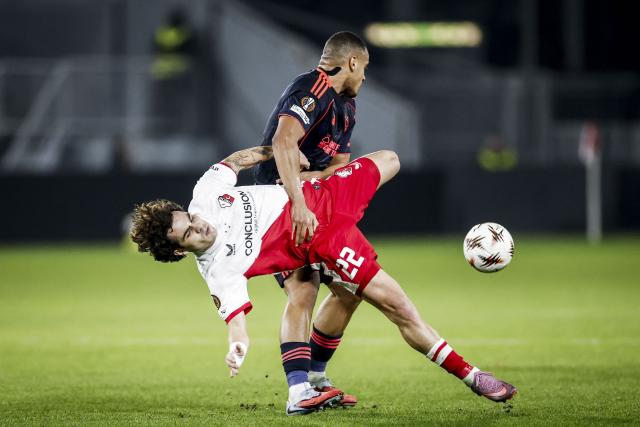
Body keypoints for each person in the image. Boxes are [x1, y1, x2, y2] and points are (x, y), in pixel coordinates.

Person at [130, 146, 517, 415]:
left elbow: (233, 161)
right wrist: (237, 346)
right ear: (180, 250)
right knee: (395, 305)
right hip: (322, 238)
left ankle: (312, 377)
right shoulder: (218, 269)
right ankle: (472, 375)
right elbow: (235, 319)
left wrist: (274, 153)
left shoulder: (205, 195)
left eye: (190, 218)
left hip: (322, 193)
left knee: (389, 159)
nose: (201, 225)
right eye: (189, 234)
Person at [253, 31, 367, 407]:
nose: (364, 77)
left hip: (316, 204)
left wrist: (316, 188)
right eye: (364, 67)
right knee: (303, 287)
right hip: (282, 204)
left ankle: (316, 379)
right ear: (351, 62)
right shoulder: (312, 88)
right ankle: (298, 390)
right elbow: (283, 142)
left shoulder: (347, 108)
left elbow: (340, 171)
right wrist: (300, 200)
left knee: (351, 290)